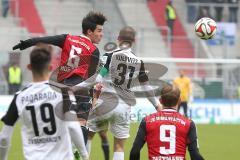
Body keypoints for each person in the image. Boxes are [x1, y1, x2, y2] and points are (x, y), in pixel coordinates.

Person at [12, 11, 107, 143]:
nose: (101, 34)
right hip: (82, 90)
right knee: (81, 125)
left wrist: (27, 43)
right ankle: (80, 155)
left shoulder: (66, 39)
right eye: (99, 30)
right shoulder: (94, 50)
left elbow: (44, 40)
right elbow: (92, 79)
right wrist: (94, 97)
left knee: (62, 128)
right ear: (89, 31)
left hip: (63, 89)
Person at [72, 26, 161, 160]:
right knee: (119, 146)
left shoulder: (109, 56)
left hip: (104, 103)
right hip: (123, 107)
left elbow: (97, 79)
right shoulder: (138, 62)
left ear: (118, 39)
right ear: (134, 41)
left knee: (89, 136)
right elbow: (146, 88)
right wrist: (157, 104)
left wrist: (75, 88)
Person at [0, 46, 89, 160]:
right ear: (51, 67)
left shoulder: (20, 97)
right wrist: (84, 155)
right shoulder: (64, 92)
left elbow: (4, 137)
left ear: (29, 67)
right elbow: (72, 126)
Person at [130, 85, 204, 160]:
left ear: (160, 100)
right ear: (179, 101)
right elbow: (195, 155)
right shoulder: (188, 123)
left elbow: (134, 152)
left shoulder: (147, 121)